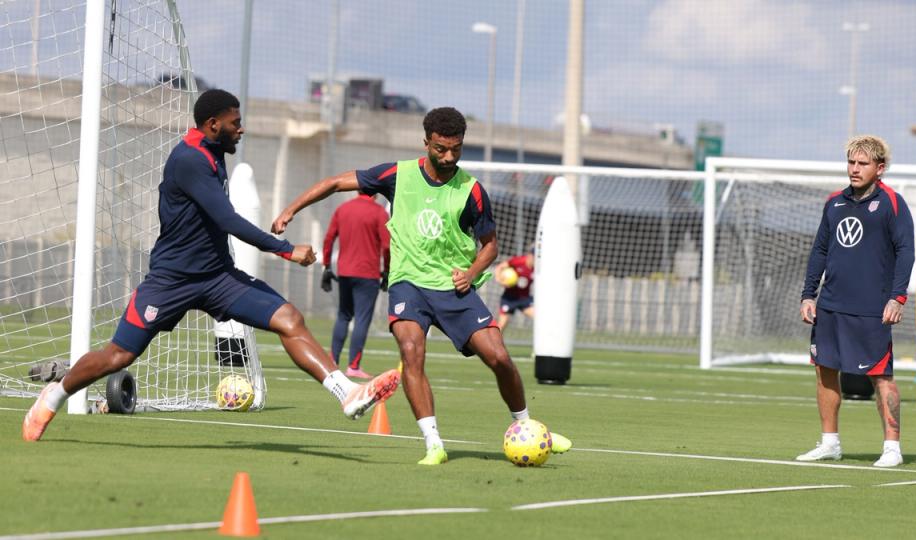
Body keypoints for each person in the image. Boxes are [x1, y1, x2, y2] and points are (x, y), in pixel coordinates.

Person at [22, 89, 400, 442]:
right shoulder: (189, 159)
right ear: (213, 124)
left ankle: (346, 392)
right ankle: (55, 394)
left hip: (219, 278)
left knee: (290, 319)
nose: (242, 128)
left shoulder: (215, 152)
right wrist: (286, 250)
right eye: (235, 122)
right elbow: (228, 220)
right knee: (119, 355)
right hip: (171, 281)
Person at [272, 107, 572, 465]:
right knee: (412, 353)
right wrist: (290, 210)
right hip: (408, 285)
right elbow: (337, 182)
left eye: (456, 149)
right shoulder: (396, 175)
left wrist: (471, 271)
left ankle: (530, 429)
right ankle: (434, 444)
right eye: (441, 149)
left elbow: (490, 245)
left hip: (454, 289)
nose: (448, 157)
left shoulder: (472, 191)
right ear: (426, 142)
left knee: (500, 358)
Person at [797, 135, 914, 468]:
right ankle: (829, 443)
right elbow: (820, 249)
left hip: (871, 309)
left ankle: (892, 448)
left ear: (880, 168)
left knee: (881, 377)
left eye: (862, 164)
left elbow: (906, 251)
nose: (854, 169)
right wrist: (809, 294)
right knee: (825, 371)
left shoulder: (893, 202)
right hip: (831, 305)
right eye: (851, 162)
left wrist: (898, 297)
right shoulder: (834, 202)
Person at [322, 193, 391, 379]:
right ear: (376, 193)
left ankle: (332, 362)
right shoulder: (379, 213)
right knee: (362, 319)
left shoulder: (343, 209)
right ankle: (353, 366)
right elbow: (386, 246)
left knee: (343, 316)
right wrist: (387, 271)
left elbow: (329, 238)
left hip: (345, 272)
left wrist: (327, 267)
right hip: (368, 274)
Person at [494, 252, 535, 330]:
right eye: (534, 256)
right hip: (509, 298)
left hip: (524, 299)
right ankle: (494, 341)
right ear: (530, 255)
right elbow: (500, 267)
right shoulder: (519, 261)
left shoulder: (538, 268)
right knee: (501, 326)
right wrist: (500, 280)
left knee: (540, 319)